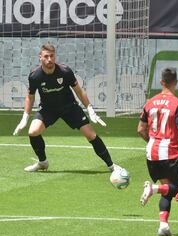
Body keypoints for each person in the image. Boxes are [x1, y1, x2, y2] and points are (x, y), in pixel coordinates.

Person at [13, 43, 122, 173]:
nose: (49, 59)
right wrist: (25, 117)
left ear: (55, 57)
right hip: (48, 109)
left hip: (69, 107)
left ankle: (111, 166)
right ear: (40, 57)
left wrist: (90, 109)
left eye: (52, 56)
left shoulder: (65, 71)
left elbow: (79, 91)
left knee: (91, 135)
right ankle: (43, 162)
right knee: (33, 132)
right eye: (46, 56)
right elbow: (30, 97)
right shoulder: (35, 76)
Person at [137, 67, 178, 236]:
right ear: (176, 83)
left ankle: (163, 226)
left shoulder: (149, 102)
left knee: (168, 189)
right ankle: (153, 189)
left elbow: (141, 129)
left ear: (161, 82)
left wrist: (152, 142)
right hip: (170, 154)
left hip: (151, 153)